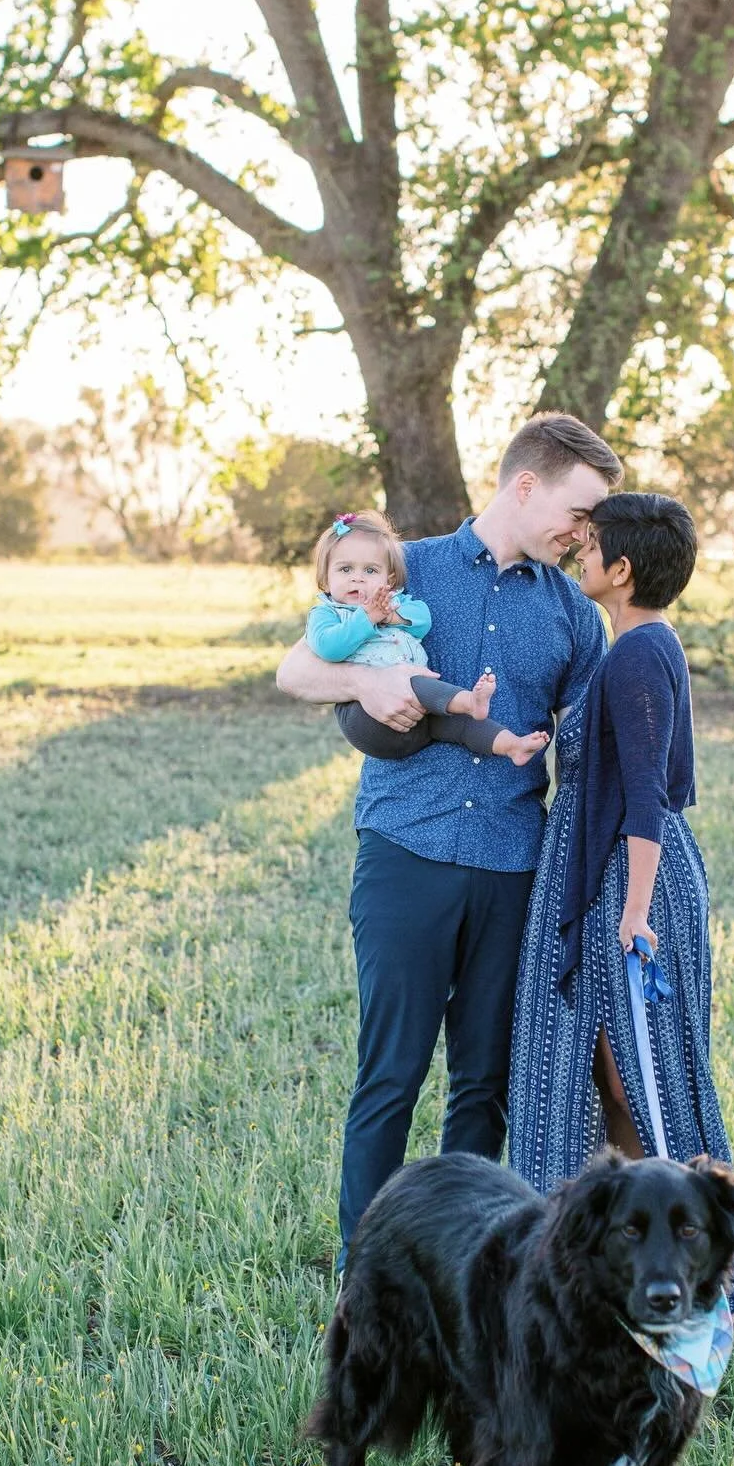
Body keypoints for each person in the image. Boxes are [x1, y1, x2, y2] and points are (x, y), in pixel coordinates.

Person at [276, 413, 622, 1267]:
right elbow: (294, 670)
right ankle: (367, 1275)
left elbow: (583, 747)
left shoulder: (574, 618)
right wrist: (368, 676)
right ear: (526, 485)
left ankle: (456, 1265)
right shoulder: (407, 568)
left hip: (513, 866)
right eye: (578, 512)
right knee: (389, 1075)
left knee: (484, 1087)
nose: (584, 534)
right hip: (406, 852)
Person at [507, 491, 734, 1323]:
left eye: (591, 548)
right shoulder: (630, 648)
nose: (579, 555)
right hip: (606, 874)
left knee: (638, 1077)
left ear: (620, 570)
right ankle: (617, 1262)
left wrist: (636, 910)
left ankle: (709, 1286)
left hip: (631, 879)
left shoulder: (638, 654)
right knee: (602, 1076)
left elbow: (649, 795)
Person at [305, 510, 550, 767]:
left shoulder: (392, 604)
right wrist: (366, 618)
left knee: (460, 725)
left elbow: (422, 621)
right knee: (416, 682)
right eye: (345, 569)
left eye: (370, 570)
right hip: (367, 720)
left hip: (418, 717)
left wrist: (390, 616)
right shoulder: (327, 612)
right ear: (326, 579)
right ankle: (469, 700)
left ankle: (511, 745)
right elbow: (328, 647)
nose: (358, 578)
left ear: (388, 579)